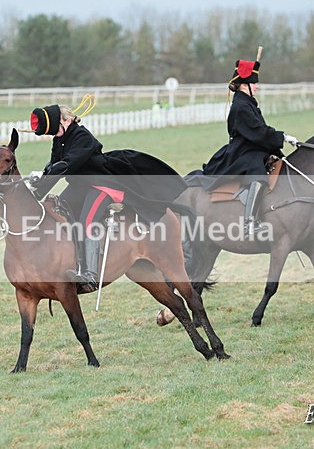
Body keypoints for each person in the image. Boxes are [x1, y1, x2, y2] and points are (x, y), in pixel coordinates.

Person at [29, 100, 186, 294]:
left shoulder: (82, 136)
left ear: (66, 120)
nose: (55, 135)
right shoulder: (59, 139)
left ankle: (90, 274)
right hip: (81, 186)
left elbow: (68, 164)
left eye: (55, 130)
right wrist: (35, 190)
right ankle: (73, 262)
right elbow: (54, 166)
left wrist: (51, 170)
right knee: (60, 211)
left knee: (88, 221)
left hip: (102, 185)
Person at [200, 57, 298, 232]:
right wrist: (282, 136)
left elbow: (260, 131)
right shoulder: (241, 106)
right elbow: (259, 132)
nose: (257, 87)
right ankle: (249, 223)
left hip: (252, 146)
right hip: (242, 151)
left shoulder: (247, 102)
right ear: (245, 85)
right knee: (258, 174)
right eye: (254, 84)